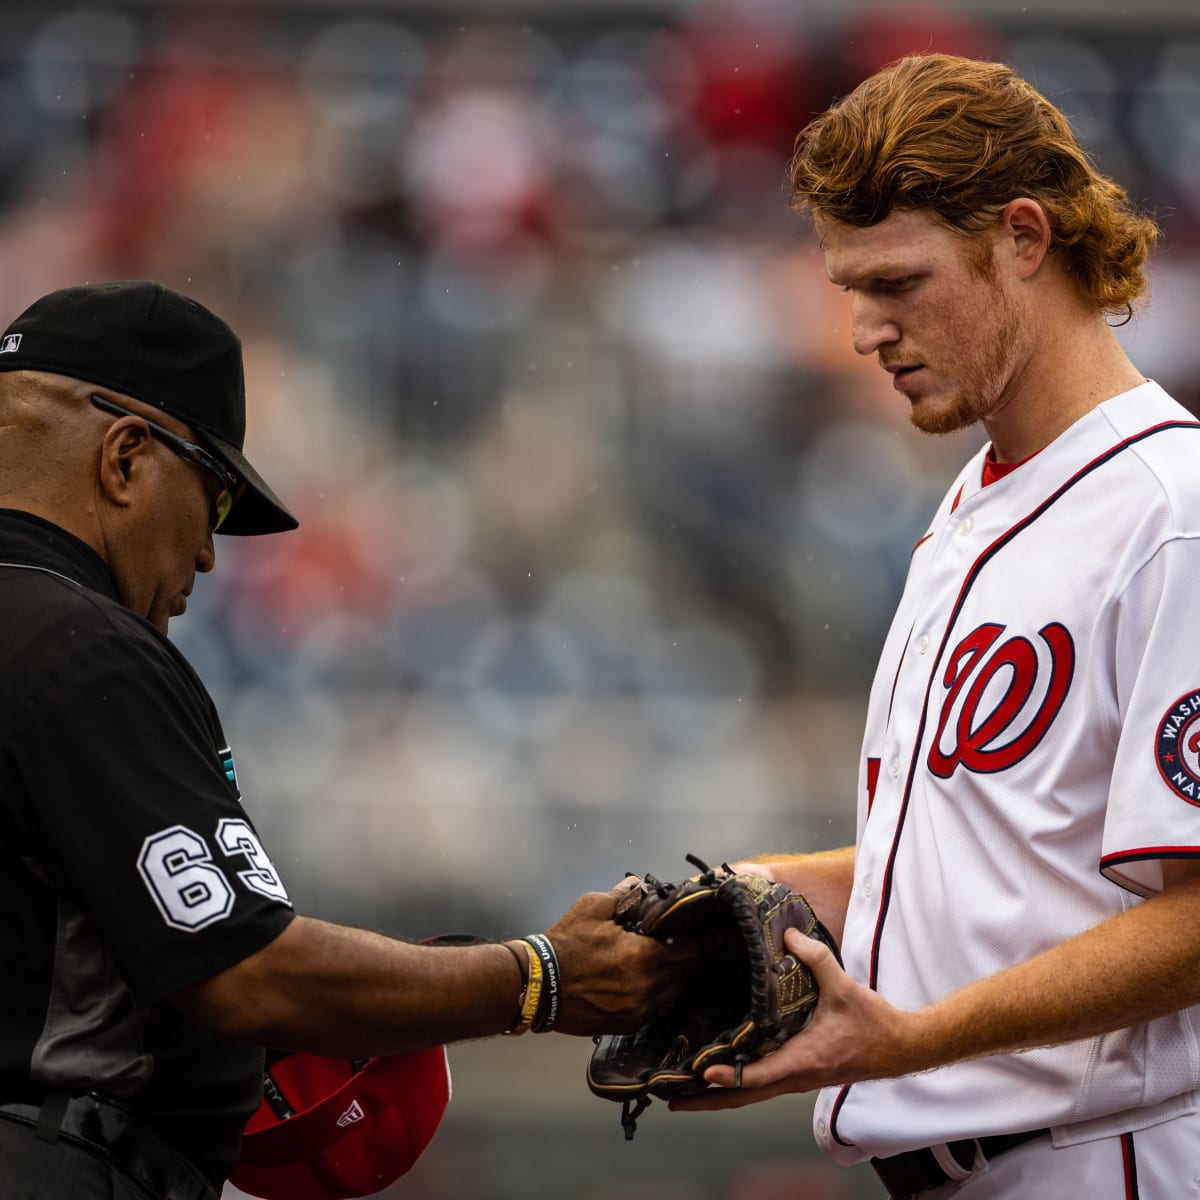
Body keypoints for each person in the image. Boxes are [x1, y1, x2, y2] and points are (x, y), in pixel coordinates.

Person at [0, 279, 685, 1200]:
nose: (208, 553)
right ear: (126, 458)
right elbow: (243, 976)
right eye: (210, 497)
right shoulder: (76, 646)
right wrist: (541, 978)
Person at [670, 52, 1200, 1199]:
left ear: (1023, 237)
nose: (863, 329)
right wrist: (764, 891)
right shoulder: (977, 498)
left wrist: (915, 1039)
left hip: (1106, 1159)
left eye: (897, 284)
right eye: (849, 288)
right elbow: (991, 863)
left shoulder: (1172, 512)